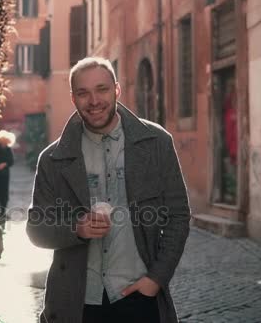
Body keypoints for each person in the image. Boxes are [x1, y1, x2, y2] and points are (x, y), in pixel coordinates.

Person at [26, 56, 191, 323]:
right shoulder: (52, 158)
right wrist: (76, 229)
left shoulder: (157, 142)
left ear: (116, 89)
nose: (93, 101)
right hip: (78, 302)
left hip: (140, 297)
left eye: (102, 89)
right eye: (83, 93)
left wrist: (156, 279)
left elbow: (179, 216)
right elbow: (36, 230)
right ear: (73, 98)